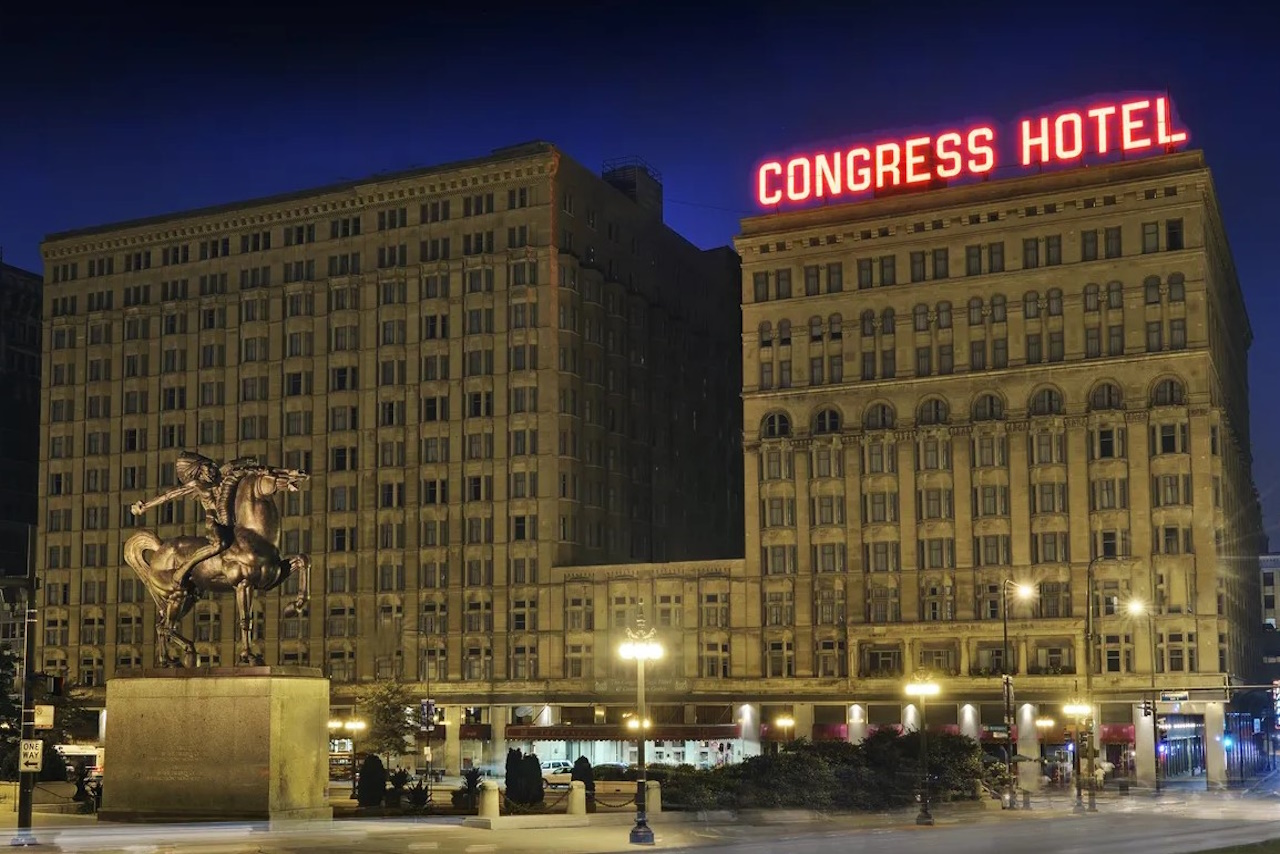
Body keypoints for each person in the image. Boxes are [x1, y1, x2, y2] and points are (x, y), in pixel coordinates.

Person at [130, 451, 234, 591]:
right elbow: (170, 495)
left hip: (230, 519)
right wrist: (146, 506)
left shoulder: (222, 479)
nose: (210, 471)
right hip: (214, 520)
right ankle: (187, 566)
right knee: (218, 544)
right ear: (198, 470)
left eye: (210, 467)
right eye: (206, 468)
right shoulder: (196, 484)